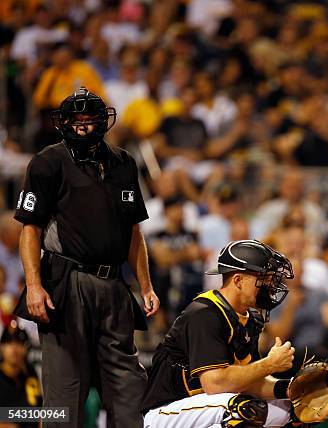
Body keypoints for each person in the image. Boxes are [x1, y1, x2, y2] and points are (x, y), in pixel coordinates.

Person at [13, 87, 160, 427]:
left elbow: (134, 232)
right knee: (64, 397)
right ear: (63, 123)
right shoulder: (48, 162)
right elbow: (30, 230)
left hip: (113, 287)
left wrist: (147, 286)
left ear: (102, 120)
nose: (82, 125)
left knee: (130, 393)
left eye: (89, 118)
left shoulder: (124, 163)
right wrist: (34, 286)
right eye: (75, 119)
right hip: (66, 283)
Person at [141, 240, 296, 427]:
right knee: (243, 409)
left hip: (209, 408)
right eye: (263, 279)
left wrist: (289, 388)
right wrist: (269, 365)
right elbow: (214, 383)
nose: (270, 286)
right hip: (167, 411)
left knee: (291, 409)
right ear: (238, 280)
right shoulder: (205, 313)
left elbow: (247, 380)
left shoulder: (250, 318)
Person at [0, 320, 42, 428]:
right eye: (9, 343)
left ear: (25, 348)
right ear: (1, 347)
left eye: (19, 343)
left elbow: (39, 412)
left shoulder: (30, 373)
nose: (14, 349)